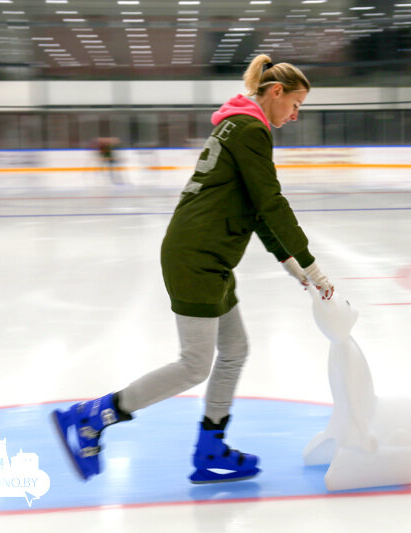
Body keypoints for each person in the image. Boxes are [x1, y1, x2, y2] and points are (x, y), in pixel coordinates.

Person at [52, 54, 335, 485]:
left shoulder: (239, 124)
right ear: (275, 92)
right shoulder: (251, 129)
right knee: (194, 364)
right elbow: (272, 202)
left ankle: (210, 446)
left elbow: (258, 210)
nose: (295, 115)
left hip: (208, 254)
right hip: (197, 256)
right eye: (296, 104)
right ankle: (94, 415)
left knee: (235, 349)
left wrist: (290, 262)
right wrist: (313, 267)